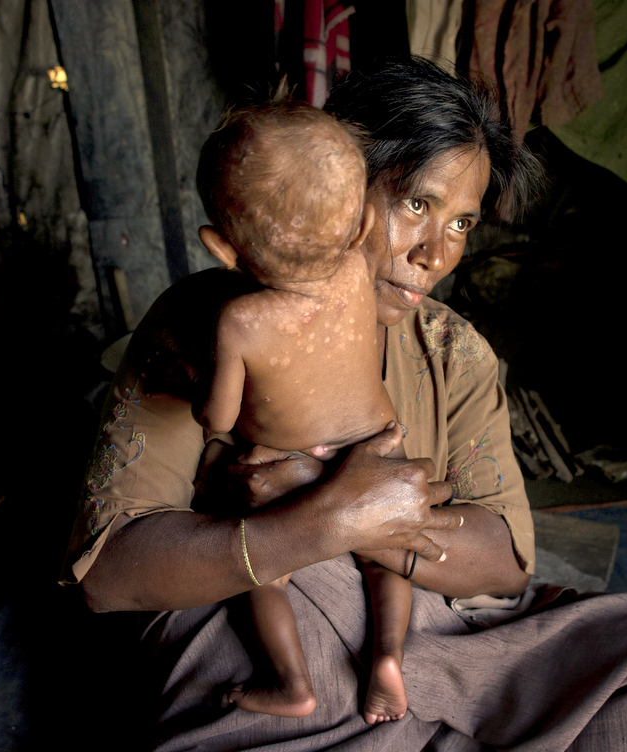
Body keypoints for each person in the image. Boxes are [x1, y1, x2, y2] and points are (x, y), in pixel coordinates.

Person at [61, 57, 627, 750]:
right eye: (416, 204)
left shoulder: (452, 351)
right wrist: (315, 529)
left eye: (462, 223)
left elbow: (502, 561)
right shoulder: (202, 324)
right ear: (340, 188)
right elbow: (112, 573)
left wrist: (336, 505)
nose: (438, 252)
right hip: (295, 630)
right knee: (295, 652)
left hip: (443, 640)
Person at [192, 98, 426, 722]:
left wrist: (206, 406)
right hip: (377, 444)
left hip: (287, 468)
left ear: (220, 248)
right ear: (359, 230)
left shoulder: (241, 320)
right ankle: (388, 658)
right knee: (385, 557)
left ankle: (292, 683)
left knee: (263, 576)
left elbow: (217, 417)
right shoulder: (356, 268)